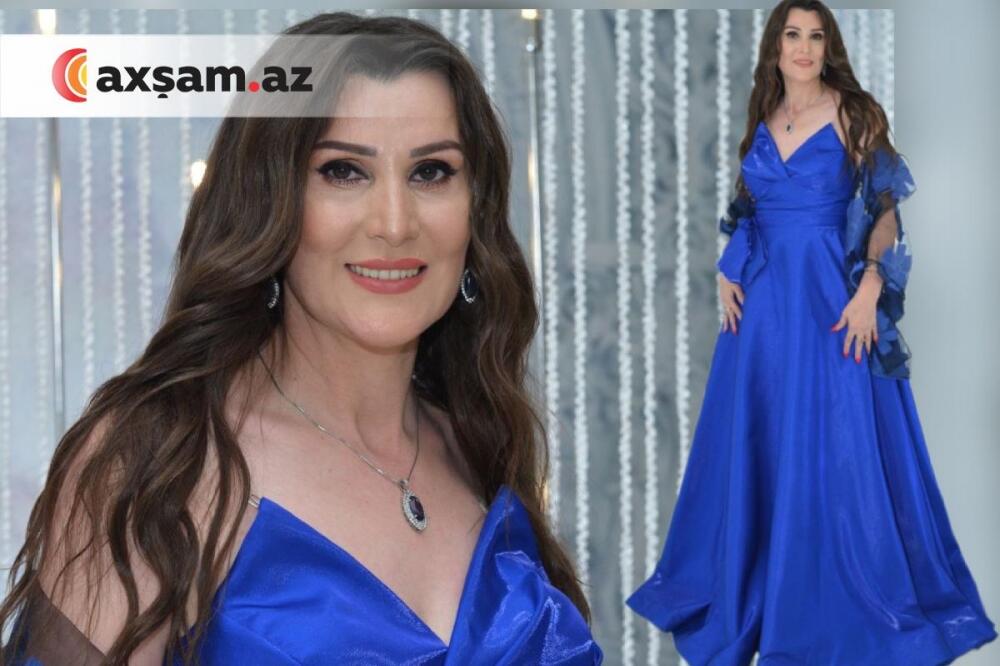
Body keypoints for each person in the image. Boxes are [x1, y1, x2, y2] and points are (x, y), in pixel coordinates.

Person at [0, 12, 603, 665]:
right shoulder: (163, 463)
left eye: (431, 172)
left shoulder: (480, 443)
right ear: (269, 201)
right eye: (343, 171)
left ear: (475, 211)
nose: (394, 223)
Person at [626, 1, 997, 664]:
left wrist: (871, 286)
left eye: (815, 36)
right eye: (792, 35)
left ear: (829, 47)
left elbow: (885, 213)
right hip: (763, 314)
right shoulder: (763, 118)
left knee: (843, 443)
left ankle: (839, 610)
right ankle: (763, 597)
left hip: (831, 301)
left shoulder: (855, 113)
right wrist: (728, 268)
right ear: (775, 46)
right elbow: (749, 209)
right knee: (765, 444)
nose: (803, 47)